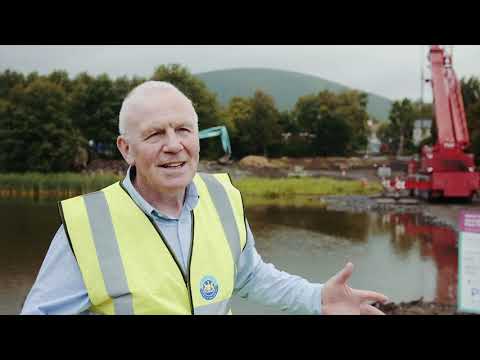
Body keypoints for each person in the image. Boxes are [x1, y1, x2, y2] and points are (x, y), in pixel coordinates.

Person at [21, 81, 388, 315]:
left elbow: (249, 275)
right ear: (126, 149)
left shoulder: (222, 197)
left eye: (183, 129)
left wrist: (318, 298)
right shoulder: (89, 226)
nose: (173, 145)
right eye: (154, 135)